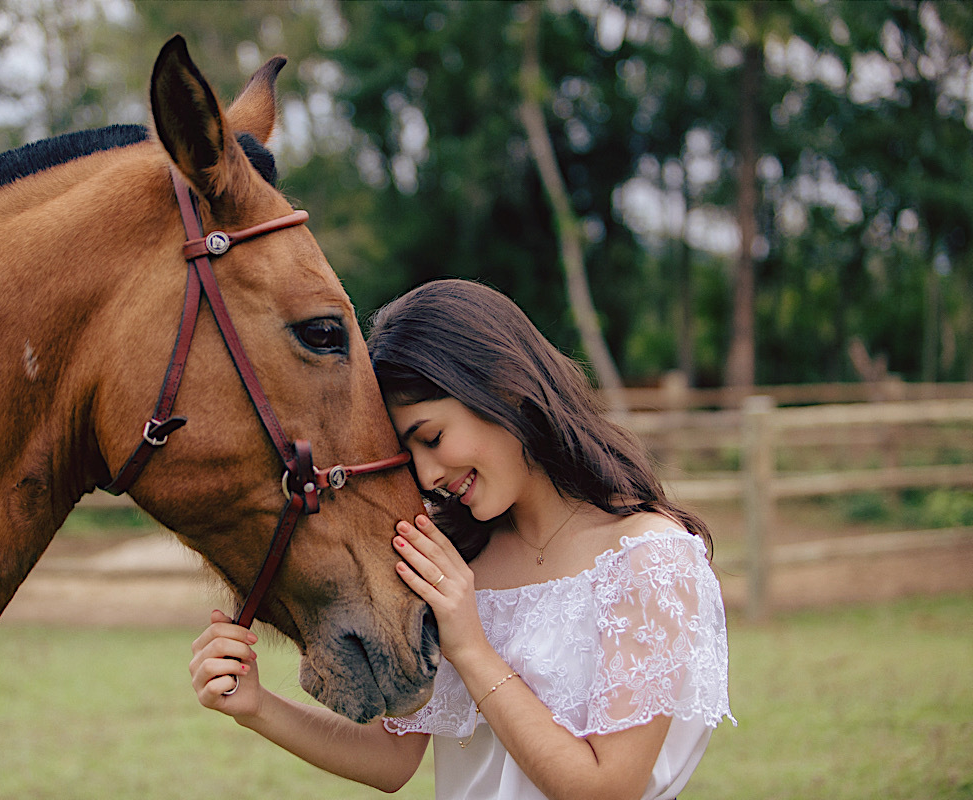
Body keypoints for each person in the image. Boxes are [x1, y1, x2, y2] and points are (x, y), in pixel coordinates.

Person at [189, 279, 734, 799]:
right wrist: (257, 706)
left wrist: (470, 647)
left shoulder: (648, 560)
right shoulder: (458, 558)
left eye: (432, 437)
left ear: (502, 386)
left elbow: (605, 789)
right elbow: (392, 760)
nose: (427, 477)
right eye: (410, 456)